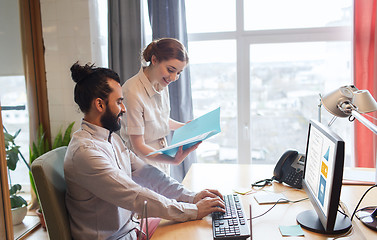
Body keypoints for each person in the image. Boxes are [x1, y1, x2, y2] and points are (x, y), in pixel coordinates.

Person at [64, 62, 225, 240]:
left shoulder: (112, 139)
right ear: (100, 105)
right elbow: (135, 195)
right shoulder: (85, 153)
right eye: (119, 102)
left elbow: (148, 174)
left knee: (199, 230)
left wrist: (191, 197)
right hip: (115, 238)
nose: (124, 109)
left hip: (130, 229)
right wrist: (193, 210)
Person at [120, 38, 191, 175]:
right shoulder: (132, 91)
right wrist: (172, 160)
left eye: (179, 73)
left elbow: (160, 120)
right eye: (171, 70)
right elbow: (139, 146)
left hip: (160, 158)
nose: (174, 77)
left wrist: (186, 127)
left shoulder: (162, 84)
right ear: (154, 60)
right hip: (141, 163)